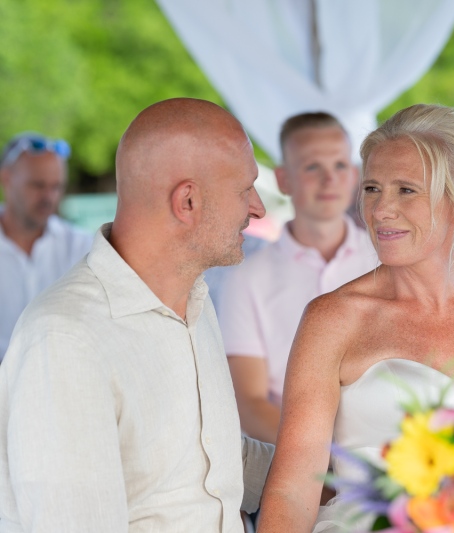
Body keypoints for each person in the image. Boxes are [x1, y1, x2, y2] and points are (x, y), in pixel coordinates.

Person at [258, 104, 454, 533]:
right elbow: (291, 489)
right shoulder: (331, 320)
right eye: (373, 189)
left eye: (406, 190)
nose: (381, 210)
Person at [0, 98, 274, 532]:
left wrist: (349, 478)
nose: (258, 208)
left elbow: (205, 454)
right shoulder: (66, 339)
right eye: (245, 189)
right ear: (187, 201)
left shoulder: (194, 301)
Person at [218, 112, 376, 444]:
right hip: (291, 457)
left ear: (355, 176)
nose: (329, 180)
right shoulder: (248, 277)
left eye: (340, 166)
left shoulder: (385, 260)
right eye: (312, 167)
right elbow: (249, 402)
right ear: (284, 179)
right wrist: (327, 459)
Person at [0, 133, 92, 361]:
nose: (49, 197)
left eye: (56, 186)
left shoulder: (82, 247)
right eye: (37, 185)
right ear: (6, 179)